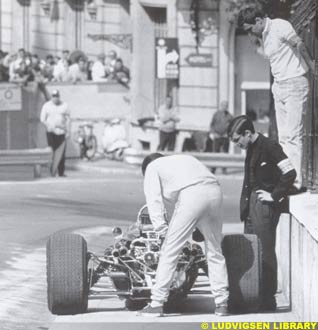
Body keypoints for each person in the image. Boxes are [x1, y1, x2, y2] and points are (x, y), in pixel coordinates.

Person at [139, 153, 229, 317]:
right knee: (215, 250)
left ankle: (157, 304)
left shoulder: (152, 168)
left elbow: (154, 200)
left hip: (192, 195)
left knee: (170, 251)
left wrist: (161, 230)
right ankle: (221, 303)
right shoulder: (181, 159)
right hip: (215, 191)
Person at [237, 7, 315, 191]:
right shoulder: (263, 34)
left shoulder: (280, 25)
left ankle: (296, 182)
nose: (249, 33)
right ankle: (288, 176)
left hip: (294, 83)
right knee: (285, 136)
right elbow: (267, 54)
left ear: (258, 20)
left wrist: (312, 65)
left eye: (250, 29)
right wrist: (253, 37)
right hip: (279, 86)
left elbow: (299, 43)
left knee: (294, 135)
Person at [227, 115, 296, 311]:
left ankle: (268, 300)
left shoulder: (270, 146)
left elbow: (290, 172)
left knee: (265, 253)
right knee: (251, 253)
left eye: (237, 140)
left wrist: (274, 196)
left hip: (263, 207)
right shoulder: (251, 147)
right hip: (251, 206)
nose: (237, 144)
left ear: (247, 133)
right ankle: (253, 296)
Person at [40, 89, 70, 177]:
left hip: (61, 131)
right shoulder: (47, 106)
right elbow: (42, 119)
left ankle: (61, 172)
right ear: (51, 97)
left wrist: (68, 131)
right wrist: (48, 125)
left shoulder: (64, 105)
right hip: (51, 132)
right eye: (54, 96)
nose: (55, 98)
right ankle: (52, 171)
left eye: (57, 96)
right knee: (52, 152)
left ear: (59, 97)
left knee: (61, 153)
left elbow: (68, 119)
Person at [209, 101, 233, 174]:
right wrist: (213, 133)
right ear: (220, 106)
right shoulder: (216, 114)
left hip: (225, 137)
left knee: (225, 153)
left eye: (226, 106)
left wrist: (228, 134)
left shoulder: (230, 116)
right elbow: (211, 125)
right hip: (217, 136)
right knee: (215, 153)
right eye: (223, 105)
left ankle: (224, 169)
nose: (224, 107)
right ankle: (213, 169)